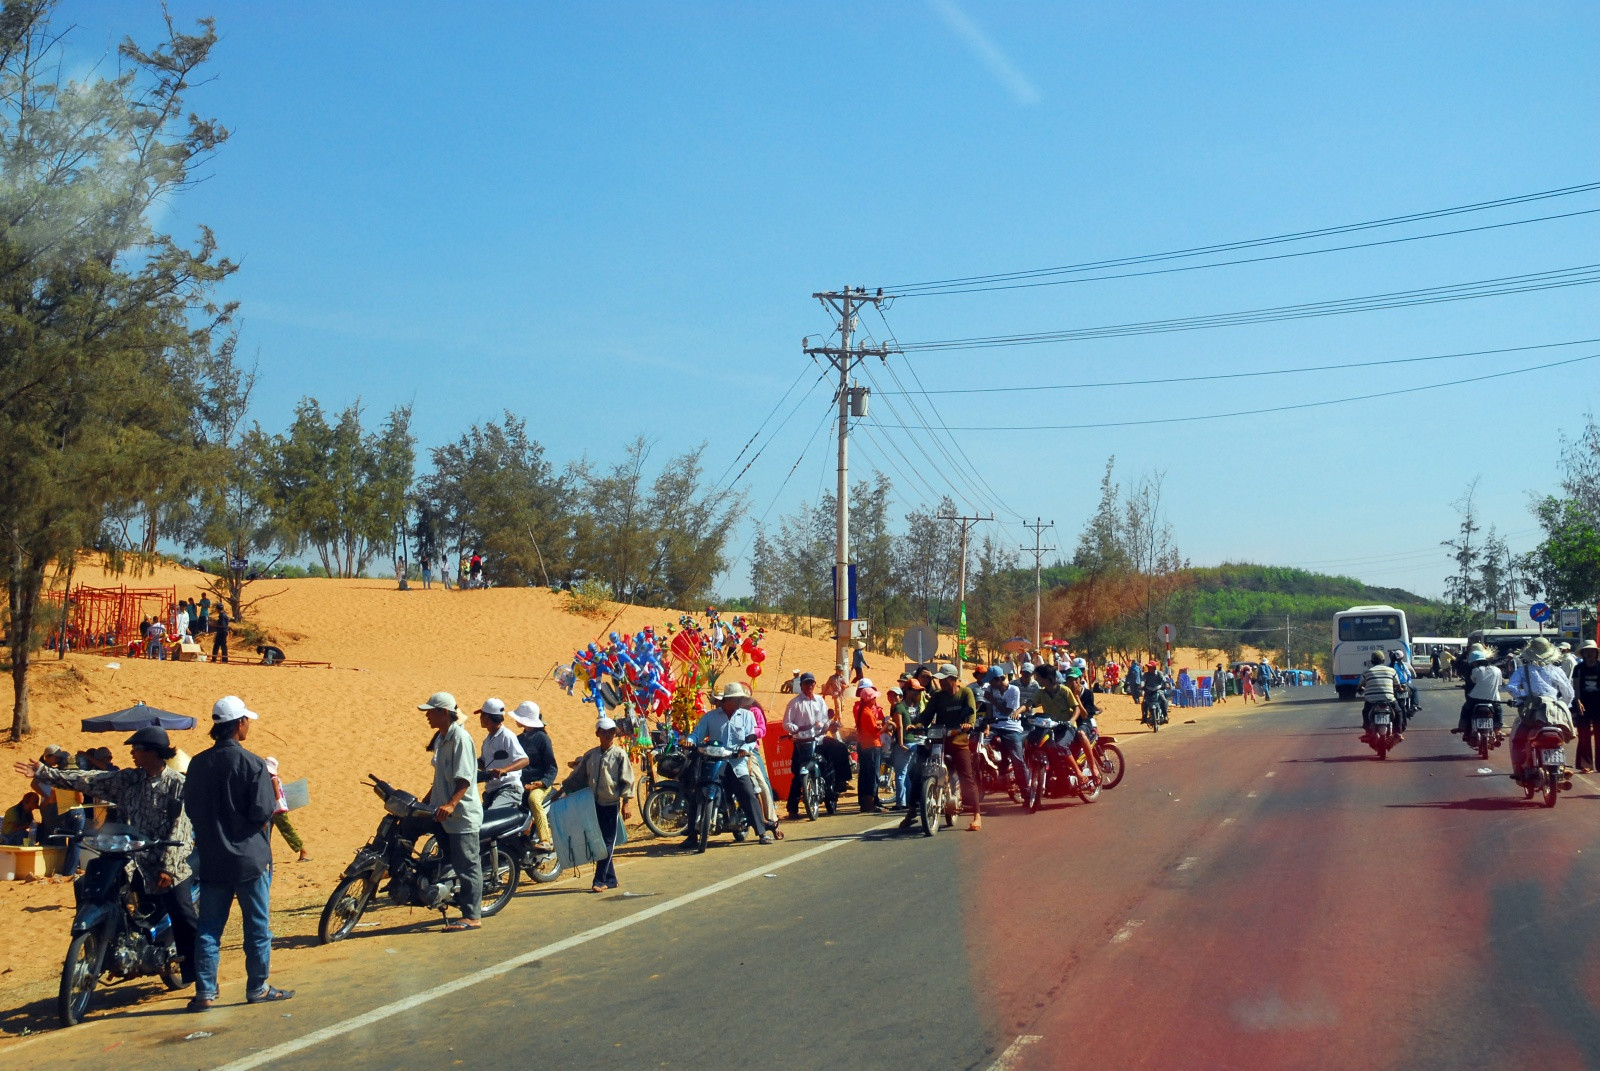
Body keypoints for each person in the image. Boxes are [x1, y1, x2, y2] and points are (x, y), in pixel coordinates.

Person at [15, 727, 198, 984]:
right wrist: (45, 773)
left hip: (167, 861)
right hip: (133, 860)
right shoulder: (128, 780)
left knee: (182, 913)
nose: (132, 753)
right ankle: (106, 947)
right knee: (92, 887)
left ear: (154, 752)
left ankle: (197, 974)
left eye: (137, 749)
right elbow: (88, 779)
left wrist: (168, 867)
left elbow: (181, 826)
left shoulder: (178, 785)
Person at [184, 697, 288, 1010]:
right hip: (248, 859)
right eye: (247, 721)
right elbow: (261, 811)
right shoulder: (253, 764)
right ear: (239, 724)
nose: (249, 725)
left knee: (209, 929)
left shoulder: (199, 764)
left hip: (213, 859)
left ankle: (205, 991)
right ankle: (257, 986)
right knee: (257, 927)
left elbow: (191, 809)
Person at [407, 692, 484, 930]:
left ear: (443, 713)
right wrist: (424, 803)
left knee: (467, 865)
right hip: (440, 813)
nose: (427, 716)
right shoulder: (441, 739)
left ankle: (472, 915)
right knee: (410, 828)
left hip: (460, 816)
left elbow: (464, 780)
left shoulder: (460, 738)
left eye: (430, 711)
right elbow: (440, 778)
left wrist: (450, 804)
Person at [900, 663, 982, 833]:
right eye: (940, 680)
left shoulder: (965, 693)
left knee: (966, 776)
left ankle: (976, 815)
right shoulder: (938, 696)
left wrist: (969, 724)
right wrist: (918, 724)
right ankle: (913, 810)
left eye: (944, 680)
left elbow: (971, 712)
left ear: (953, 679)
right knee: (919, 770)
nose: (941, 683)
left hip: (958, 740)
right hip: (938, 739)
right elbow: (927, 714)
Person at [685, 683, 770, 845]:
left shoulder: (746, 716)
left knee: (747, 792)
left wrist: (745, 748)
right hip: (714, 761)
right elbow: (697, 734)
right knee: (698, 790)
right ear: (727, 700)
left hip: (737, 762)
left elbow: (751, 737)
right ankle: (692, 835)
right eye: (737, 699)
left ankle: (761, 832)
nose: (740, 702)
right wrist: (690, 741)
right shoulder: (710, 717)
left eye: (741, 699)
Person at [561, 716, 637, 891]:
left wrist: (626, 803)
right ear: (598, 734)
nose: (609, 734)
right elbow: (578, 777)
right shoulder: (590, 755)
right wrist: (561, 790)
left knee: (607, 842)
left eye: (611, 731)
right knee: (598, 841)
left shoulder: (619, 754)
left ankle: (599, 880)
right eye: (605, 731)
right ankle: (611, 879)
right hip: (592, 804)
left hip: (611, 804)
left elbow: (627, 780)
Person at [1506, 637, 1577, 782]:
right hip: (1555, 713)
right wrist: (1561, 705)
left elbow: (1511, 687)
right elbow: (1569, 693)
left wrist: (1523, 697)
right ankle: (1560, 767)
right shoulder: (1557, 670)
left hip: (1533, 713)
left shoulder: (1523, 670)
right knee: (1560, 739)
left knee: (1518, 739)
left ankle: (1519, 770)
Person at [783, 672, 832, 819]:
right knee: (798, 773)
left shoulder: (820, 701)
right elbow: (786, 723)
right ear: (801, 685)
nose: (809, 686)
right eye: (806, 683)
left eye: (812, 683)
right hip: (801, 742)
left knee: (828, 764)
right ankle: (792, 808)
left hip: (819, 739)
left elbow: (825, 718)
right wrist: (796, 729)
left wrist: (822, 724)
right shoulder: (794, 703)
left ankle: (831, 794)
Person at [511, 701, 557, 849]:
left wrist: (542, 783)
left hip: (541, 785)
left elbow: (552, 767)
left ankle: (546, 840)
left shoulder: (543, 738)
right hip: (522, 784)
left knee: (533, 799)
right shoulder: (518, 739)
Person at [979, 666, 1029, 803]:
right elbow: (989, 711)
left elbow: (1007, 711)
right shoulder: (990, 690)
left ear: (999, 679)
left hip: (1011, 727)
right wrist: (986, 725)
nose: (989, 684)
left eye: (991, 681)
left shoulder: (1014, 690)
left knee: (1018, 760)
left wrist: (993, 700)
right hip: (995, 726)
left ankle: (1026, 792)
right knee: (978, 747)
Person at [476, 698, 529, 810]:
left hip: (509, 789)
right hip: (492, 791)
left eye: (481, 715)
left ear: (487, 717)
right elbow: (484, 762)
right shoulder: (487, 739)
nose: (480, 719)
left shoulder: (507, 736)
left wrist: (504, 770)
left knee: (492, 817)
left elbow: (524, 760)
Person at [1453, 648, 1507, 744]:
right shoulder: (1497, 670)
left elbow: (1474, 681)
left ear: (1474, 662)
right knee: (1498, 712)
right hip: (1493, 700)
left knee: (1466, 710)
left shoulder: (1476, 670)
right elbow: (1499, 684)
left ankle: (1462, 727)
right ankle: (1497, 730)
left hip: (1475, 699)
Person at [264, 757, 310, 862]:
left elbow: (276, 796)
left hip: (277, 809)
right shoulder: (273, 778)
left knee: (287, 831)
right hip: (273, 809)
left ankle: (302, 851)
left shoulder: (273, 779)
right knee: (266, 831)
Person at [853, 678, 886, 813]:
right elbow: (875, 730)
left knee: (867, 773)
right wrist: (887, 726)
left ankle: (868, 802)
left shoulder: (862, 709)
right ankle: (869, 803)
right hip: (872, 745)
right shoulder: (866, 711)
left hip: (867, 744)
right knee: (872, 774)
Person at [1571, 641, 1600, 773]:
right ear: (1582, 653)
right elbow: (1576, 686)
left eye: (1592, 651)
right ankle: (1585, 764)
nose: (1590, 654)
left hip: (1598, 704)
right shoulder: (1578, 668)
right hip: (1583, 704)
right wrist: (1577, 701)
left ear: (1596, 653)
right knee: (1584, 735)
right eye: (1587, 651)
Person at [1358, 651, 1400, 741]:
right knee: (1399, 712)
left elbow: (1360, 685)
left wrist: (1360, 689)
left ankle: (1368, 732)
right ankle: (1397, 732)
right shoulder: (1391, 671)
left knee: (1365, 712)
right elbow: (1398, 686)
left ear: (1372, 661)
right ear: (1383, 660)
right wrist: (1400, 689)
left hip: (1371, 701)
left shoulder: (1366, 672)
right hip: (1389, 699)